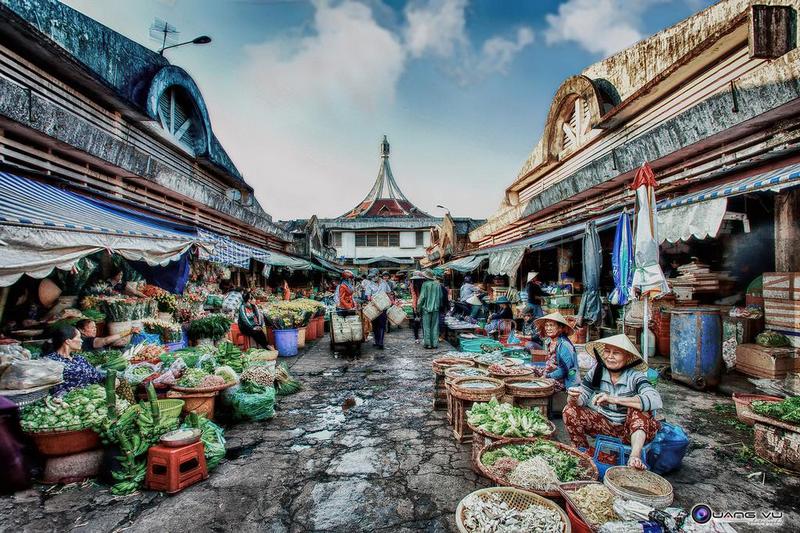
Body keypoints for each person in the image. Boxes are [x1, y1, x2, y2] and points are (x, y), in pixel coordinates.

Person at [564, 334, 662, 470]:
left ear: (627, 357)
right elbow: (583, 396)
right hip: (605, 426)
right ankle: (582, 453)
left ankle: (634, 457)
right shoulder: (597, 371)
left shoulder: (634, 376)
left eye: (616, 353)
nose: (610, 356)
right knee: (569, 410)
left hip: (632, 431)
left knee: (640, 410)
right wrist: (573, 398)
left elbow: (655, 399)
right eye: (607, 351)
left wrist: (614, 399)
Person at [43, 326, 106, 396]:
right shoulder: (51, 361)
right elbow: (51, 389)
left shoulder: (79, 359)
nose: (81, 340)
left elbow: (97, 377)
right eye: (79, 337)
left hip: (87, 398)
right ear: (68, 341)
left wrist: (109, 379)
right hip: (66, 402)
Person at [533, 312, 579, 390]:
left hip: (566, 379)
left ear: (560, 328)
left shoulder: (565, 345)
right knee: (533, 368)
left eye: (551, 325)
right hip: (553, 372)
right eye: (546, 325)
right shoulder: (548, 341)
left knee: (540, 385)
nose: (548, 328)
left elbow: (565, 371)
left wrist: (546, 376)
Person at [364, 268, 392, 350]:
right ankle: (377, 341)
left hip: (383, 307)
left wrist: (392, 301)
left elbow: (389, 293)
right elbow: (368, 297)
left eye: (374, 276)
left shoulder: (384, 283)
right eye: (371, 277)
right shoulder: (369, 284)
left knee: (382, 324)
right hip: (374, 308)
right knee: (375, 325)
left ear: (377, 275)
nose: (373, 278)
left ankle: (381, 342)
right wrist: (373, 299)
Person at [417, 270, 442, 349]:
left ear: (426, 277)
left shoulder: (425, 284)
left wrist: (418, 308)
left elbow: (422, 298)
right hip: (436, 308)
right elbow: (441, 297)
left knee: (426, 326)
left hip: (426, 309)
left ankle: (428, 344)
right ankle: (434, 344)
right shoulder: (438, 284)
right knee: (435, 326)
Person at [409, 271, 426, 343]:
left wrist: (415, 308)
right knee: (422, 322)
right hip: (421, 305)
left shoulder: (413, 284)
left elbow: (414, 296)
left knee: (417, 322)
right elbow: (414, 296)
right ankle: (420, 338)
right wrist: (416, 308)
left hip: (417, 305)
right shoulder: (422, 284)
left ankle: (417, 338)